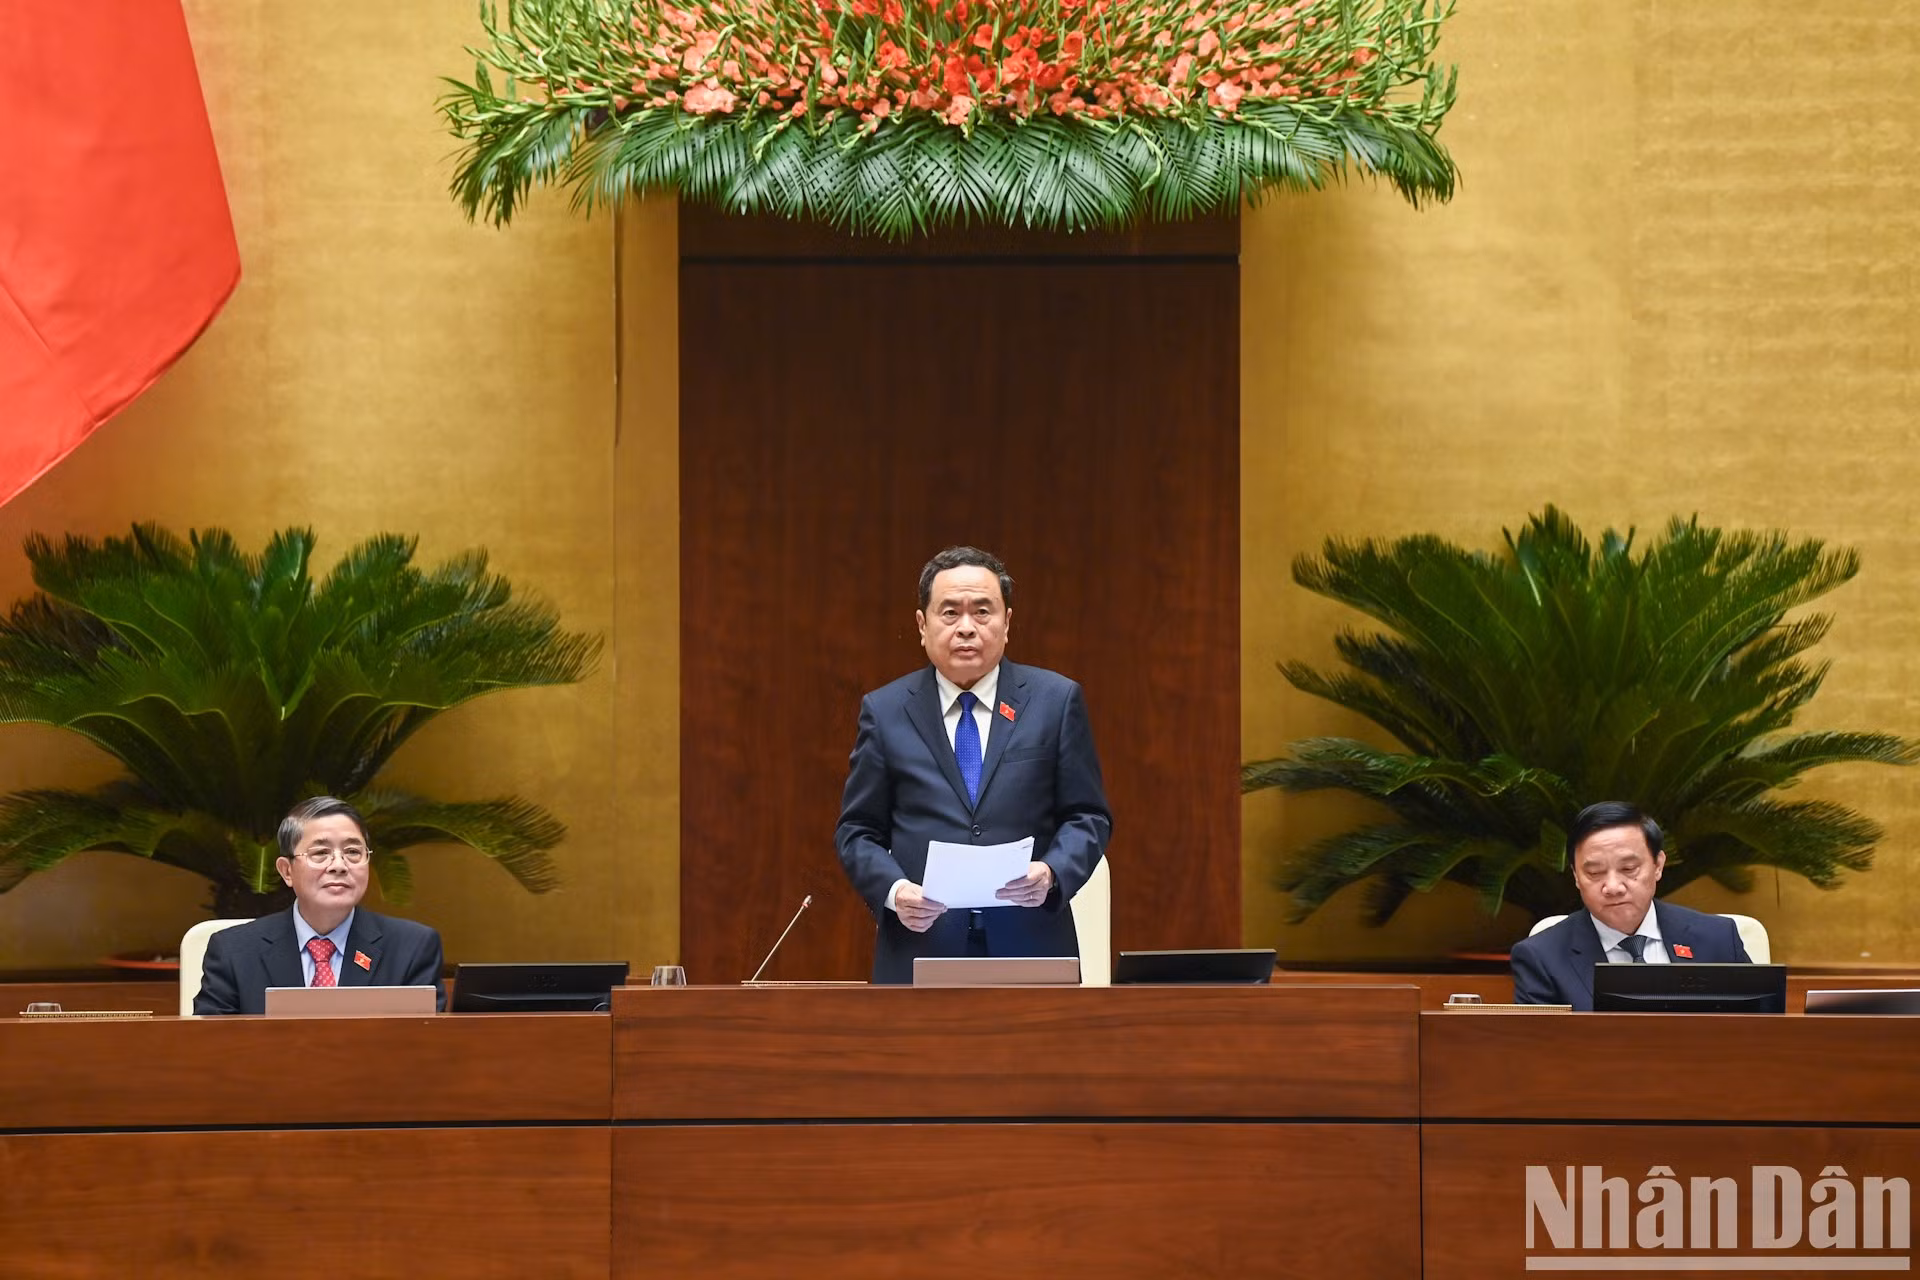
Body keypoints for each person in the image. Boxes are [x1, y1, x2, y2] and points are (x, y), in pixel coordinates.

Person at [836, 546, 1113, 984]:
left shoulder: (1056, 702)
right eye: (950, 612)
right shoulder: (885, 711)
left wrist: (1051, 872)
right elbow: (857, 831)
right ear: (922, 625)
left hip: (1032, 944)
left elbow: (1088, 816)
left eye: (982, 611)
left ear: (1007, 623)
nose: (966, 627)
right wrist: (895, 892)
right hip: (921, 946)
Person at [193, 796, 445, 1014]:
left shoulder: (412, 948)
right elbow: (210, 1045)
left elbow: (427, 1044)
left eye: (353, 852)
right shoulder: (233, 951)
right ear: (287, 870)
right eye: (320, 853)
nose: (339, 865)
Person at [1510, 800, 1751, 1009]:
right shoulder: (1541, 957)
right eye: (1594, 872)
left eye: (1628, 868)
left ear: (1658, 865)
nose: (1613, 887)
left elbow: (1761, 1029)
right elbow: (1539, 1045)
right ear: (1576, 876)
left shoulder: (1719, 939)